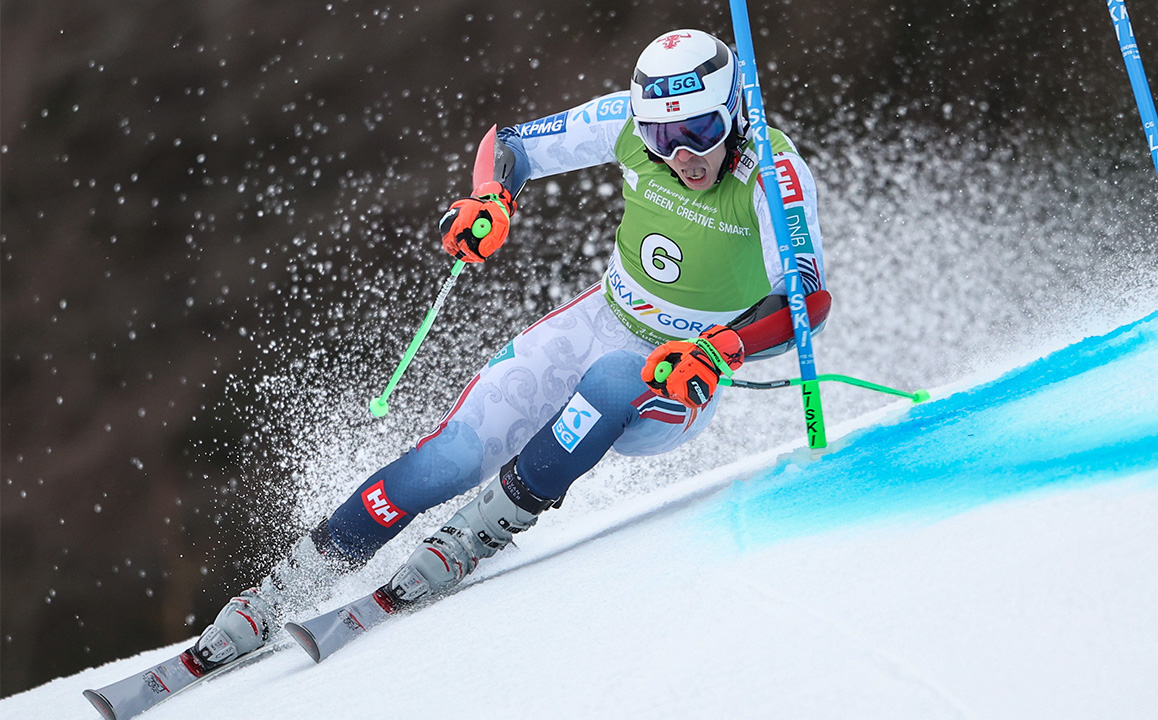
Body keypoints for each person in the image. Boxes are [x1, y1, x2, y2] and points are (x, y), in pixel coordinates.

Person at [191, 28, 831, 667]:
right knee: (450, 457)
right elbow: (510, 145)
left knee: (613, 377)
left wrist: (721, 348)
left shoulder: (772, 171)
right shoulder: (629, 125)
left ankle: (479, 533)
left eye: (701, 132)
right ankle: (285, 588)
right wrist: (490, 198)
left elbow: (807, 297)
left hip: (681, 370)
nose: (684, 155)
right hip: (601, 317)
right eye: (665, 139)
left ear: (735, 111)